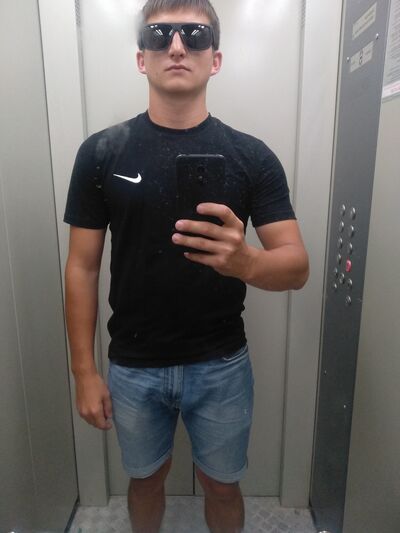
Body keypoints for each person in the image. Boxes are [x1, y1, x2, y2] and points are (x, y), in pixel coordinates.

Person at [64, 0, 309, 531]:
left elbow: (296, 267)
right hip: (133, 363)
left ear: (215, 59)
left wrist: (246, 261)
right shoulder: (101, 153)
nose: (177, 46)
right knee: (145, 480)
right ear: (141, 58)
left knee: (222, 485)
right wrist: (84, 371)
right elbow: (82, 267)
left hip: (221, 363)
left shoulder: (251, 156)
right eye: (160, 35)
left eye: (194, 35)